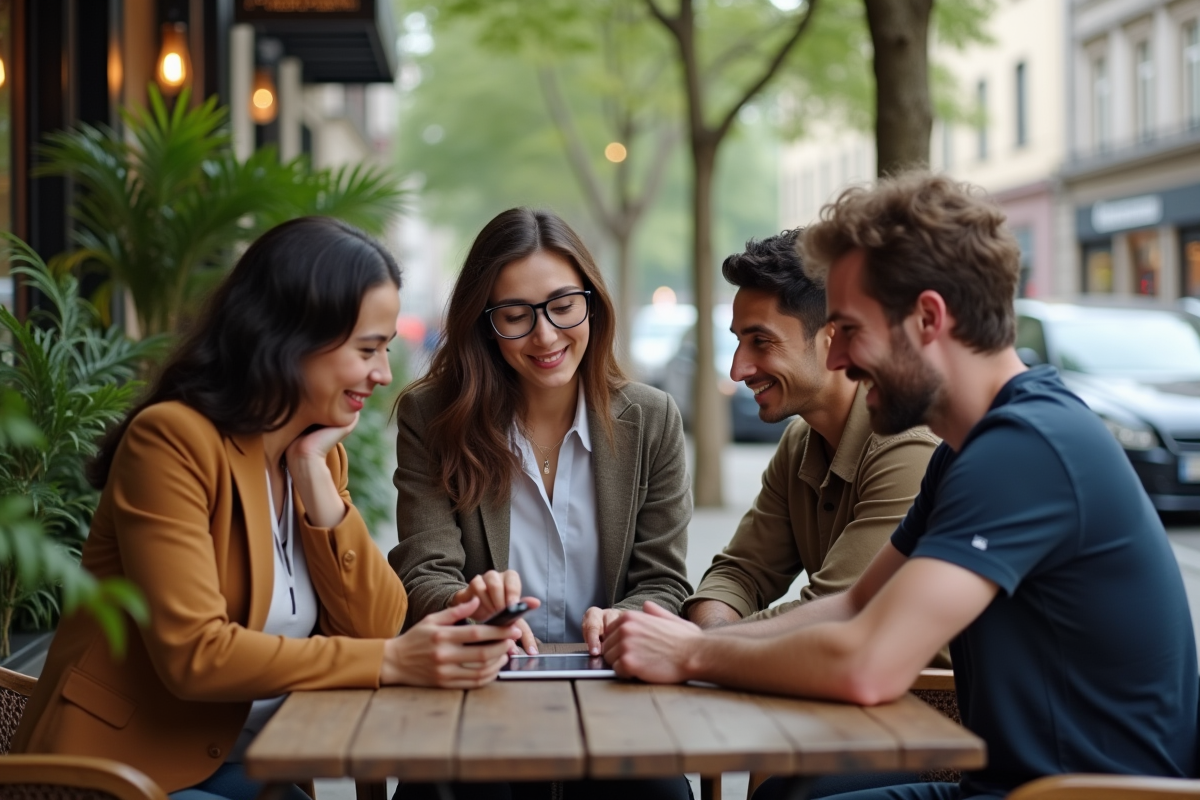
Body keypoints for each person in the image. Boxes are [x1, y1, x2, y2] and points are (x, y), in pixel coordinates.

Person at [601, 174, 1198, 800]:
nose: (836, 360)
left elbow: (868, 664)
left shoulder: (1027, 448)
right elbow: (856, 604)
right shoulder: (974, 449)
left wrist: (693, 657)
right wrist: (690, 640)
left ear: (928, 319)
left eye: (851, 330)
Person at [12, 217, 520, 800]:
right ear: (291, 335)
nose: (383, 373)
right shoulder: (172, 441)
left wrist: (313, 482)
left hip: (247, 768)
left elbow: (376, 625)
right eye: (367, 349)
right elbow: (196, 656)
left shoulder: (314, 454)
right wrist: (392, 661)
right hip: (123, 776)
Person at [390, 207, 692, 800]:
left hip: (614, 698)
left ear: (591, 303)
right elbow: (423, 575)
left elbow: (664, 583)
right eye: (515, 315)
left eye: (562, 305)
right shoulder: (431, 417)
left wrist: (627, 617)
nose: (546, 335)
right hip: (477, 696)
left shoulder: (650, 420)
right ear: (484, 323)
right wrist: (468, 602)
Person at [684, 230, 940, 654]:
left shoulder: (908, 445)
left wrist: (693, 648)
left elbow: (836, 612)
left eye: (761, 342)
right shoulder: (800, 441)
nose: (737, 369)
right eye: (737, 341)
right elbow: (740, 573)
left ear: (833, 337)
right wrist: (708, 635)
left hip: (935, 707)